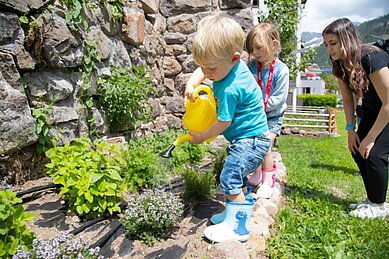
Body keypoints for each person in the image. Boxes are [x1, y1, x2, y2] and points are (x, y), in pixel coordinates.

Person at [184, 14, 271, 242]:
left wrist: (202, 136)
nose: (205, 72)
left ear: (233, 58)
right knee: (237, 178)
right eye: (202, 66)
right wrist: (192, 83)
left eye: (210, 68)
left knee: (230, 177)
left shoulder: (230, 88)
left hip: (250, 141)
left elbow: (224, 122)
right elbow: (204, 70)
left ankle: (238, 229)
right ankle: (233, 213)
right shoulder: (228, 65)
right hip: (253, 138)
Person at [322, 18, 389, 219]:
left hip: (387, 108)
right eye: (326, 45)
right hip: (372, 110)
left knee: (374, 152)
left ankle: (379, 206)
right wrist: (351, 130)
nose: (329, 49)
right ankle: (372, 199)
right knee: (358, 150)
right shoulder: (339, 64)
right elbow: (348, 98)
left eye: (333, 43)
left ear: (347, 39)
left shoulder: (371, 58)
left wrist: (371, 138)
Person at [245, 23, 290, 199]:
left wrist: (257, 105)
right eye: (251, 49)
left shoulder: (281, 70)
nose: (255, 52)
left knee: (264, 144)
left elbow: (279, 99)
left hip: (272, 116)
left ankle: (268, 181)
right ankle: (257, 174)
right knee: (254, 145)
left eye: (258, 47)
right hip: (255, 115)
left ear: (274, 44)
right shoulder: (251, 66)